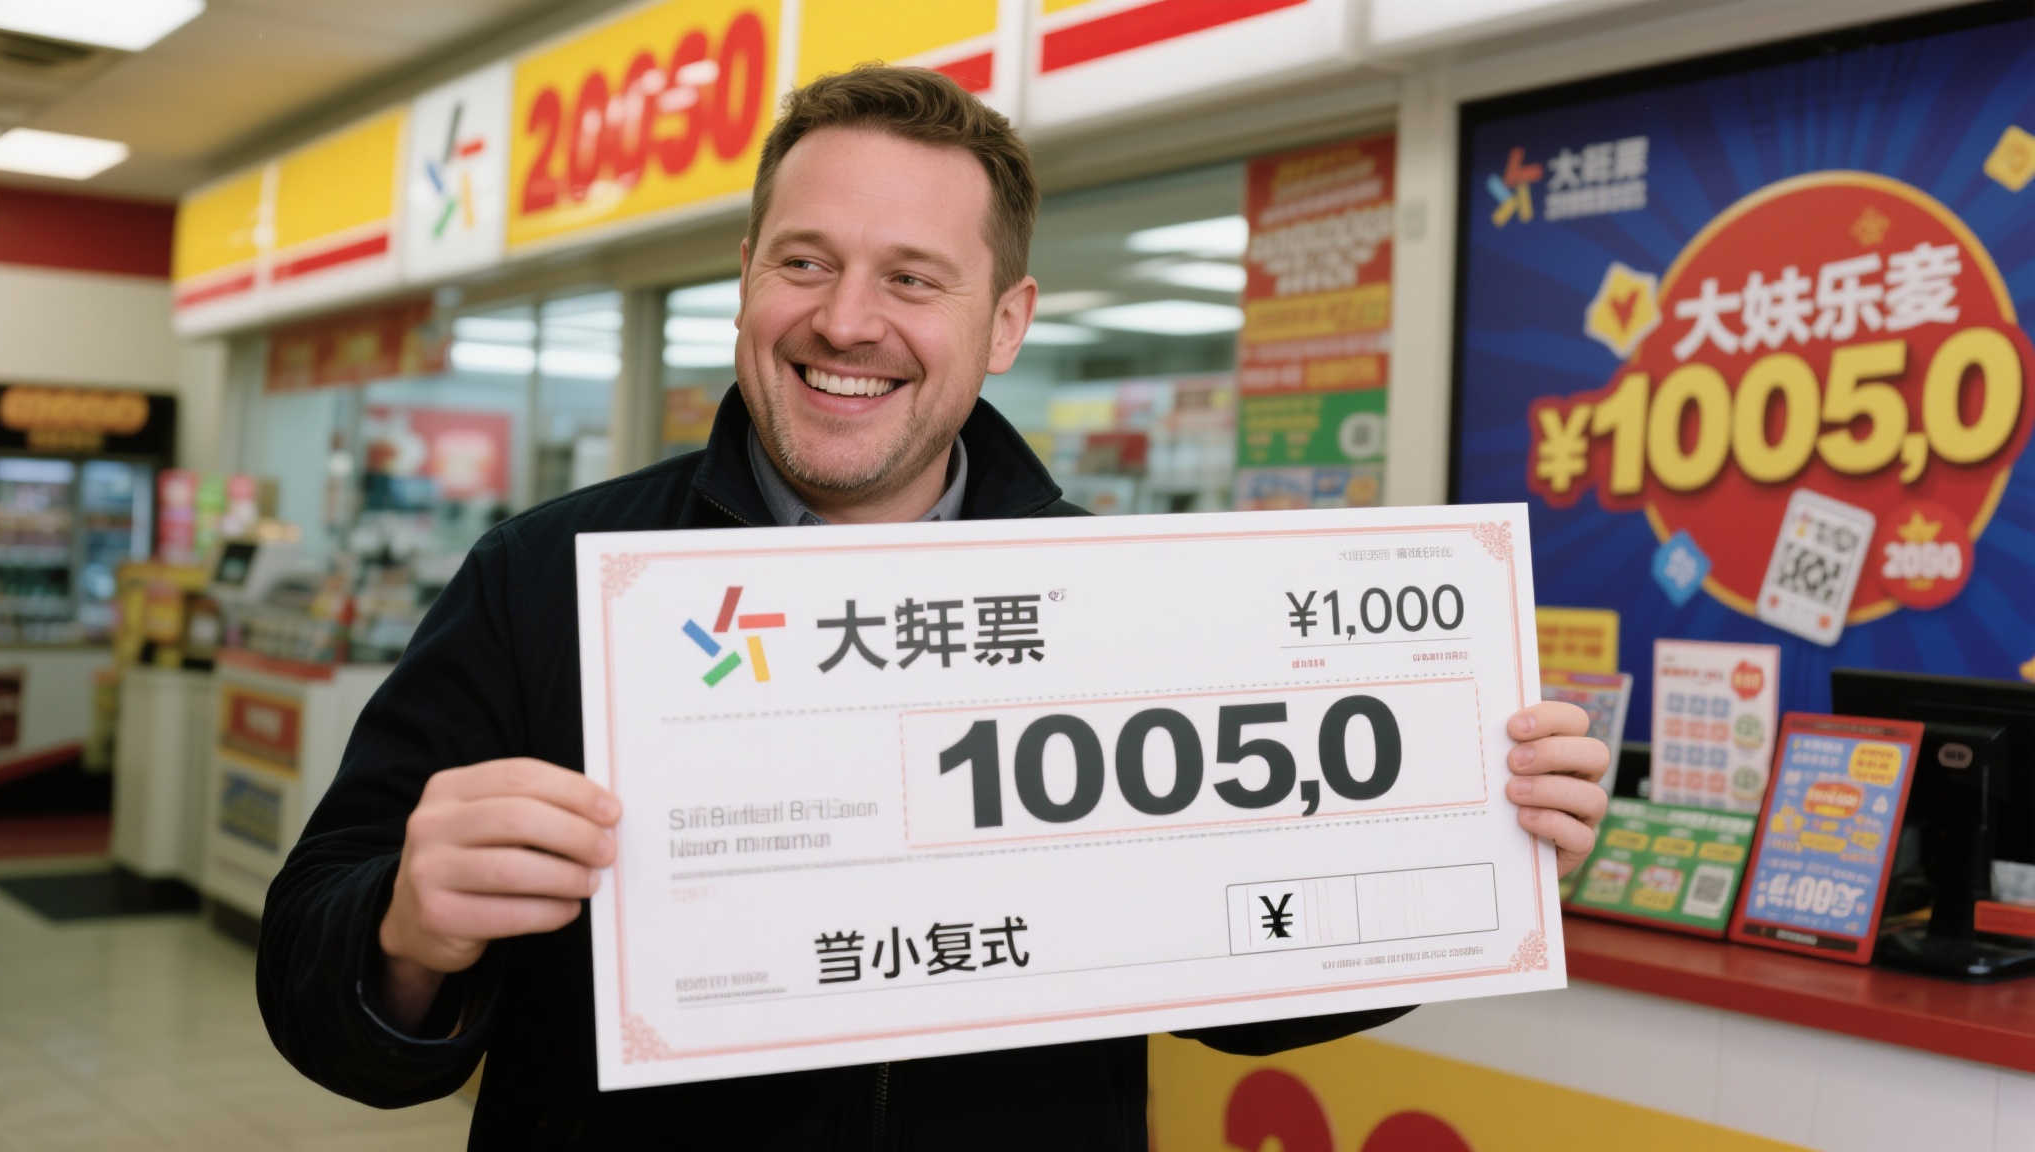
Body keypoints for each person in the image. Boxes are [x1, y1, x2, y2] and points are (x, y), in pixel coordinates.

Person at [259, 65, 1611, 1149]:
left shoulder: (1133, 613)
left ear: (1006, 323)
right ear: (746, 273)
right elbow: (316, 978)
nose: (847, 321)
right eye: (804, 262)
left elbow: (1238, 988)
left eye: (912, 279)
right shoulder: (546, 575)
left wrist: (1474, 850)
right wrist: (405, 936)